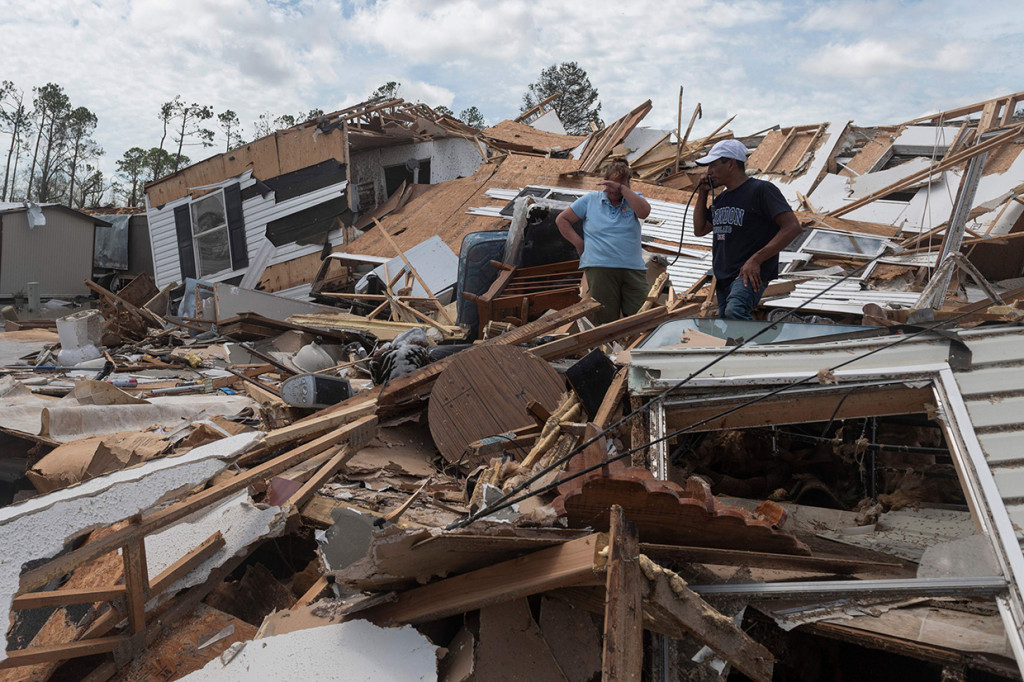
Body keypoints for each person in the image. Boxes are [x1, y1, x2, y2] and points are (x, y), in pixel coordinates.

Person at [693, 139, 802, 320]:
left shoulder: (761, 190)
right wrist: (702, 193)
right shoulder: (721, 199)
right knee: (729, 324)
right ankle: (744, 348)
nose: (709, 171)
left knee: (734, 312)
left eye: (713, 165)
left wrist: (756, 259)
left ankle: (759, 347)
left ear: (731, 163)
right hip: (723, 275)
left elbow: (792, 227)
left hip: (747, 273)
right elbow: (700, 229)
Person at [555, 159, 652, 325]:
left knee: (641, 317)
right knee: (604, 318)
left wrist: (623, 189)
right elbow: (562, 220)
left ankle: (632, 348)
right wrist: (579, 243)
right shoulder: (591, 200)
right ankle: (607, 350)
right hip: (600, 267)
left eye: (619, 185)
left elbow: (644, 212)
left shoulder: (633, 199)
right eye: (611, 184)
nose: (614, 190)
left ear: (628, 184)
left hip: (632, 267)